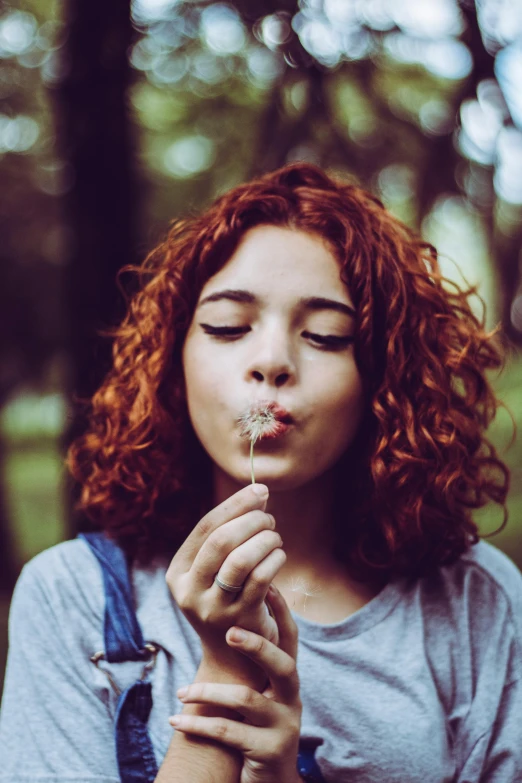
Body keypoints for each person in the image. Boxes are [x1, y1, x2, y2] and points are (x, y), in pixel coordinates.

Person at [1, 162, 521, 783]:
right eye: (228, 326)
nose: (272, 360)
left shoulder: (477, 603)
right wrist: (226, 669)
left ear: (382, 377)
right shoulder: (70, 598)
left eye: (326, 336)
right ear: (174, 358)